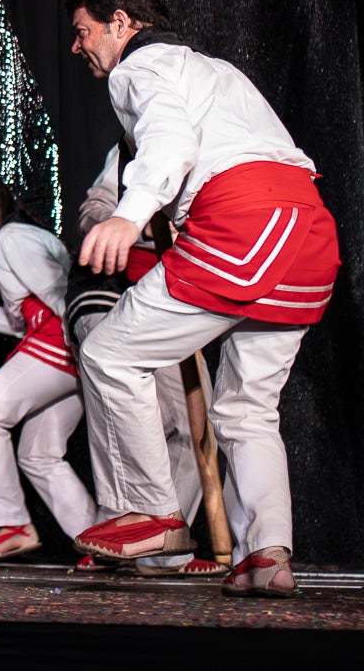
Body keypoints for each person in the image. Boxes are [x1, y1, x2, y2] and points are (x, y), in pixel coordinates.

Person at [66, 0, 340, 598]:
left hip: (246, 224)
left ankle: (152, 511)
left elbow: (170, 137)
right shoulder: (215, 71)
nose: (77, 47)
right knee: (246, 408)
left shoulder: (142, 68)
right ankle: (265, 556)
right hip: (308, 232)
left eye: (83, 32)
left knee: (108, 352)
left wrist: (128, 216)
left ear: (121, 23)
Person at [63, 145, 226, 579]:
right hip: (112, 290)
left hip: (175, 293)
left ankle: (162, 552)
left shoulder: (213, 145)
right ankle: (122, 535)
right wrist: (126, 225)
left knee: (196, 425)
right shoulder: (133, 142)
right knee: (126, 398)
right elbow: (93, 208)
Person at [0, 168, 95, 561]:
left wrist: (91, 349)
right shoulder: (15, 237)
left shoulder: (13, 237)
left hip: (63, 346)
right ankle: (97, 541)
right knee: (38, 455)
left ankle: (13, 525)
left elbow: (62, 297)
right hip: (69, 350)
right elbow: (21, 319)